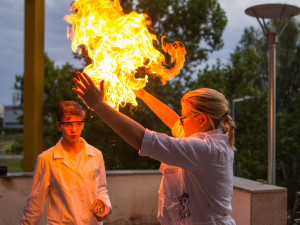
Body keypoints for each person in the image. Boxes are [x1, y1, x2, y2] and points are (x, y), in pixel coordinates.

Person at [73, 72, 236, 225]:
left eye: (184, 117)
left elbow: (141, 138)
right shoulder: (202, 140)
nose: (181, 122)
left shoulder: (206, 149)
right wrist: (142, 93)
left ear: (202, 119)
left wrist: (99, 105)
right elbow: (173, 121)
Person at [19, 101, 112, 225]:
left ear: (83, 124)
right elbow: (35, 202)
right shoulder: (46, 159)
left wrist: (106, 207)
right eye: (68, 124)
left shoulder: (96, 154)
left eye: (78, 123)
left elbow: (101, 189)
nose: (74, 129)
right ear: (59, 125)